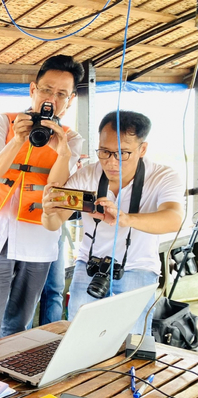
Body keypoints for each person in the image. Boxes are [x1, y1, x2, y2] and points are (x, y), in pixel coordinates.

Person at [0, 55, 85, 340]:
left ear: (69, 101)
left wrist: (63, 152)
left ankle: (8, 380)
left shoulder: (72, 140)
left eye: (61, 94)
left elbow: (57, 190)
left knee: (18, 325)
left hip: (38, 245)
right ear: (33, 90)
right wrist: (17, 139)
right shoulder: (3, 122)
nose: (51, 99)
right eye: (46, 90)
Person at [42, 110, 184, 335]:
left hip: (138, 267)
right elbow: (53, 223)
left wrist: (125, 219)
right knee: (80, 336)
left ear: (142, 149)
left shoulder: (163, 176)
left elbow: (173, 219)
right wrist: (48, 213)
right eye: (104, 152)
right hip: (89, 266)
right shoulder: (86, 176)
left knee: (132, 342)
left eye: (122, 153)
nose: (111, 162)